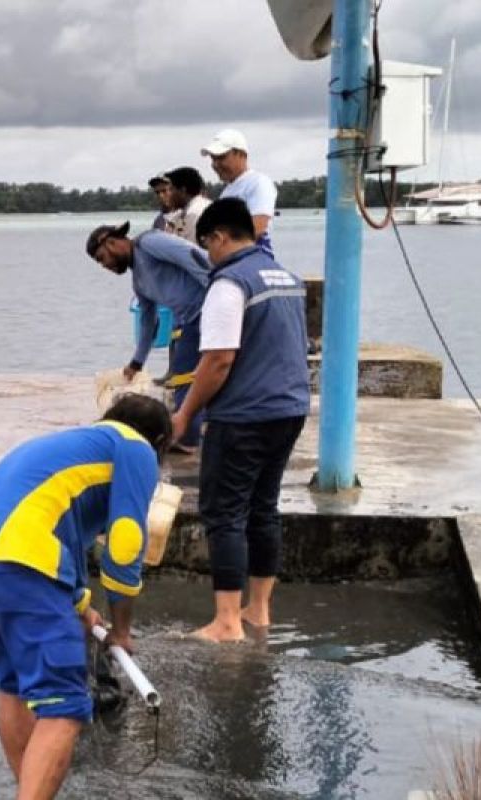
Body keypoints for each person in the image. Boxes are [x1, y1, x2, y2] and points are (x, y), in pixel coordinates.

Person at [0, 393, 171, 800]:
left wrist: (81, 605)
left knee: (14, 683)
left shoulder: (70, 446)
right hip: (20, 557)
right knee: (65, 705)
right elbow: (125, 543)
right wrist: (121, 630)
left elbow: (54, 523)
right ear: (158, 442)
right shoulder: (137, 448)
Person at [171, 198, 310, 643]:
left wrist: (186, 413)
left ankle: (227, 623)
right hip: (289, 409)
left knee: (224, 512)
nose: (208, 254)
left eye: (206, 244)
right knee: (263, 508)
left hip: (245, 414)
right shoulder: (285, 277)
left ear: (219, 237)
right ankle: (259, 610)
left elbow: (217, 361)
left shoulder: (230, 284)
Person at [86, 220, 210, 452]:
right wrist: (137, 362)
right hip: (189, 320)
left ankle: (188, 438)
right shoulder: (139, 281)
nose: (104, 266)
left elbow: (193, 256)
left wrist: (219, 290)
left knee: (184, 377)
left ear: (112, 242)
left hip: (209, 309)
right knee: (188, 375)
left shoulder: (150, 242)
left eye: (102, 258)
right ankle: (196, 430)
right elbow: (148, 320)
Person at [201, 129, 279, 259]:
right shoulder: (227, 191)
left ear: (241, 154)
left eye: (221, 158)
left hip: (253, 256)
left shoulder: (258, 183)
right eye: (213, 159)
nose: (215, 164)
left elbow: (258, 227)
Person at [164, 166, 213, 244]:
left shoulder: (193, 214)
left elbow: (189, 251)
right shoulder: (205, 205)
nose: (168, 194)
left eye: (171, 189)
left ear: (183, 191)